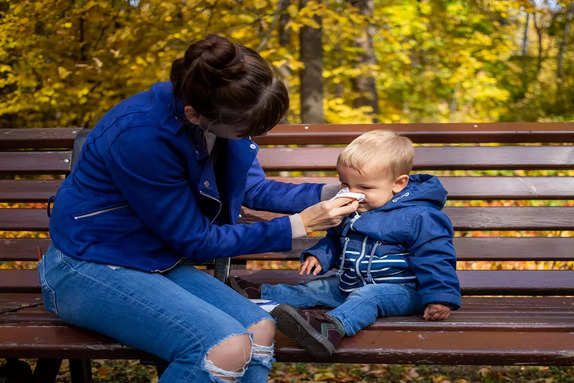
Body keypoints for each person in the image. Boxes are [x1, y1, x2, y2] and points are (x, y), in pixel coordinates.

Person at [38, 34, 358, 383]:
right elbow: (196, 240)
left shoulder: (222, 108)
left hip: (154, 261)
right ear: (194, 114)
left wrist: (336, 192)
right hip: (86, 267)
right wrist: (298, 224)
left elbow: (252, 188)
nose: (254, 137)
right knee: (223, 346)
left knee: (260, 328)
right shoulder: (141, 136)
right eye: (246, 130)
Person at [229, 130, 461, 361]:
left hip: (402, 291)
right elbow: (334, 239)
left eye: (365, 188)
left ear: (399, 184)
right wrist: (320, 255)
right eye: (345, 184)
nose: (353, 194)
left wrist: (439, 297)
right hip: (350, 283)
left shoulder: (421, 216)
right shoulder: (355, 208)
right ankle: (258, 294)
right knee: (317, 288)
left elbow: (436, 256)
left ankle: (330, 329)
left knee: (369, 295)